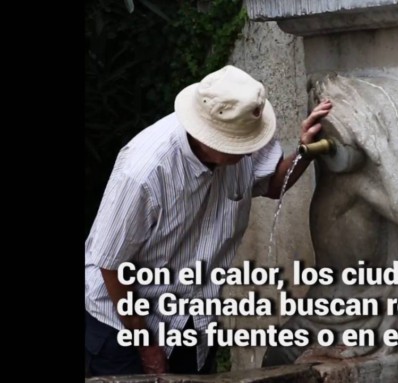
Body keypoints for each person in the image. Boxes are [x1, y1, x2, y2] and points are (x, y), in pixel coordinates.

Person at [84, 65, 332, 376]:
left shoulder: (244, 128)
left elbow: (271, 185)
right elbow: (111, 263)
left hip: (192, 316)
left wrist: (305, 151)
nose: (250, 150)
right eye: (239, 145)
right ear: (208, 137)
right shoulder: (144, 172)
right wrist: (145, 344)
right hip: (122, 323)